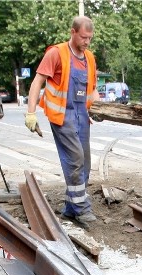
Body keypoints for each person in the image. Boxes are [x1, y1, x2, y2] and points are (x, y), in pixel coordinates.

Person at [25, 16, 100, 224]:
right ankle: (82, 209)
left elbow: (91, 90)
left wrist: (100, 109)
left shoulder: (90, 58)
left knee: (85, 162)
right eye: (84, 37)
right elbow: (37, 82)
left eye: (90, 38)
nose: (86, 42)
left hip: (81, 117)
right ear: (73, 32)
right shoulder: (56, 53)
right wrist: (31, 113)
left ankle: (70, 207)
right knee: (75, 159)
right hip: (62, 116)